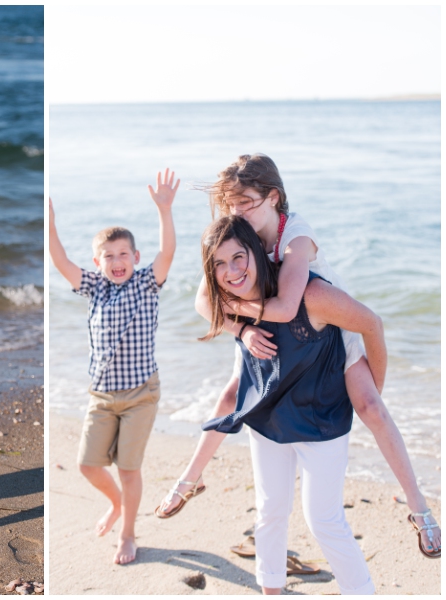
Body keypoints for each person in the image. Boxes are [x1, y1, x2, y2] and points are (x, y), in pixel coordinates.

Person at [156, 154, 441, 560]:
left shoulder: (297, 237)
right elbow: (204, 300)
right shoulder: (240, 234)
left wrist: (236, 310)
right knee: (231, 395)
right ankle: (188, 480)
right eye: (231, 204)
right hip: (268, 330)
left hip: (325, 328)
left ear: (274, 197)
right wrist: (242, 329)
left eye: (247, 202)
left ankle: (419, 507)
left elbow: (288, 307)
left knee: (371, 407)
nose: (237, 212)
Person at [200, 215, 378, 594]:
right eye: (219, 264)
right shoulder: (234, 302)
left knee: (325, 521)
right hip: (268, 421)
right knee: (269, 512)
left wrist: (375, 387)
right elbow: (208, 307)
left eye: (238, 258)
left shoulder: (306, 290)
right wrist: (242, 327)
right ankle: (271, 590)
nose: (230, 271)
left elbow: (368, 324)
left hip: (321, 422)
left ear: (258, 253)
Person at [49, 169, 179, 564]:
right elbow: (59, 259)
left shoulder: (145, 283)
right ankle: (119, 503)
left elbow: (168, 252)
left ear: (136, 258)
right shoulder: (95, 287)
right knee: (87, 465)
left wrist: (164, 210)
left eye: (124, 254)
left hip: (141, 394)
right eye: (109, 256)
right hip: (102, 395)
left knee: (128, 469)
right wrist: (50, 223)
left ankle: (128, 534)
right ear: (98, 262)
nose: (117, 261)